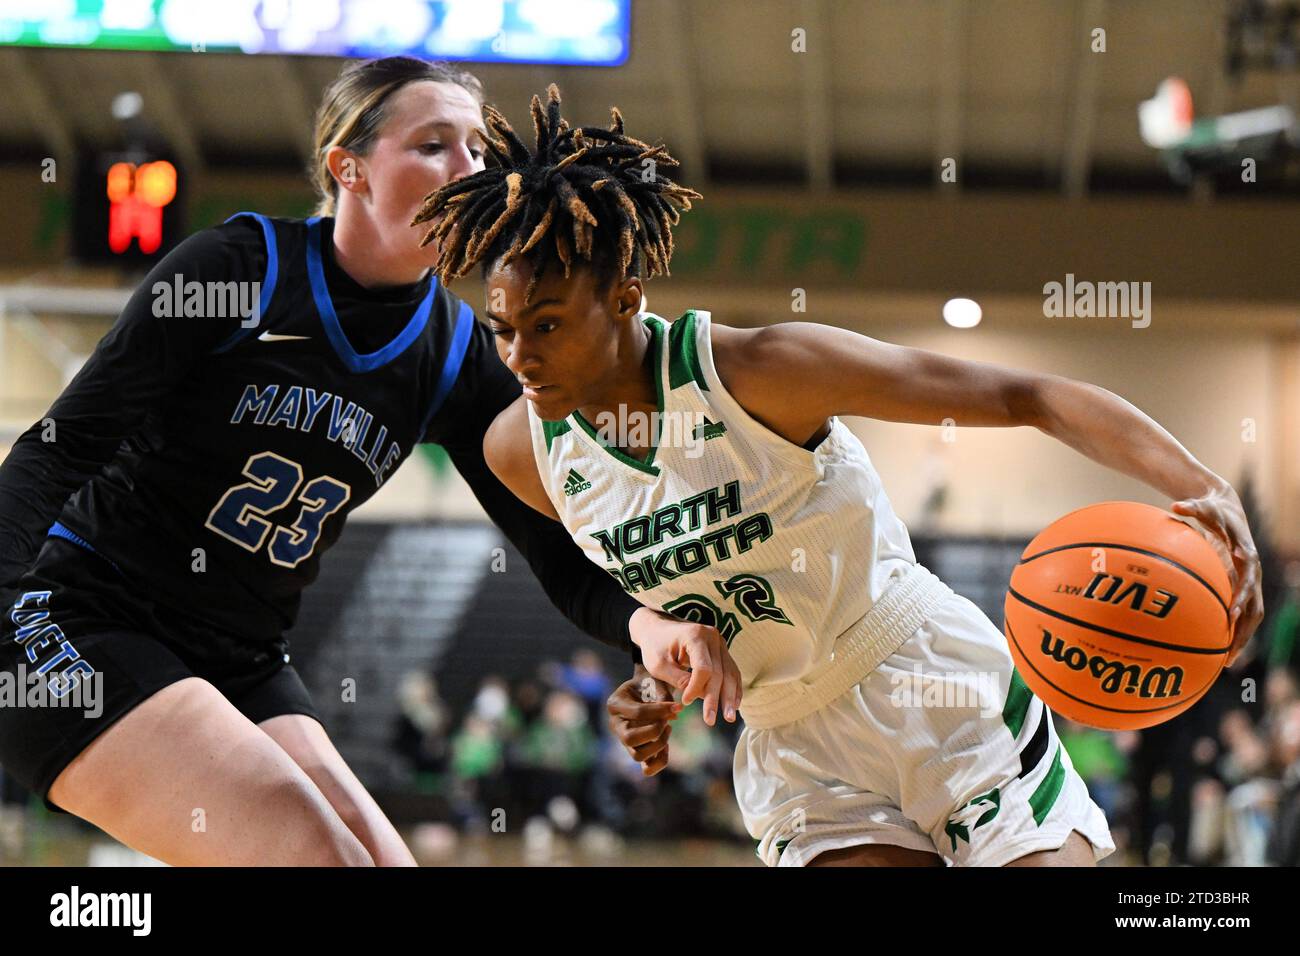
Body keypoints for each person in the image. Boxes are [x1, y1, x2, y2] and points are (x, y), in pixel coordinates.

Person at [413, 84, 1267, 867]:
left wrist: (1202, 485)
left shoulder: (761, 370)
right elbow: (666, 606)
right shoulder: (523, 454)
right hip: (794, 742)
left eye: (549, 324)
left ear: (627, 298)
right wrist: (653, 679)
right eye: (503, 328)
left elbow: (1028, 393)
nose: (521, 355)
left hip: (927, 681)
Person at [0, 58, 735, 867]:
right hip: (84, 613)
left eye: (477, 152)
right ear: (347, 168)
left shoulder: (458, 350)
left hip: (240, 656)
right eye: (432, 145)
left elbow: (547, 536)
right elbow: (57, 449)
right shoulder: (238, 270)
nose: (468, 170)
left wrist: (643, 624)